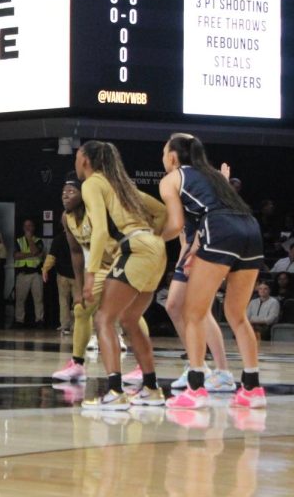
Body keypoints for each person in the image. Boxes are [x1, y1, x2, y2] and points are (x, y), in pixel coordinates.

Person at [158, 133, 267, 411]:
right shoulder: (214, 176)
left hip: (218, 230)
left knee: (193, 313)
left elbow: (175, 224)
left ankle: (196, 387)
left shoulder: (171, 179)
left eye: (163, 153)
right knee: (236, 315)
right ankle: (252, 388)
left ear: (172, 157)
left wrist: (147, 236)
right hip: (250, 228)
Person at [77, 140, 168, 411]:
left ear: (85, 160)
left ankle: (115, 391)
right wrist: (153, 240)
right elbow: (162, 211)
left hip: (135, 249)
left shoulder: (92, 183)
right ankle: (151, 388)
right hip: (155, 249)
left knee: (104, 318)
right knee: (130, 318)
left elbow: (101, 232)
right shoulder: (123, 186)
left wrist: (90, 275)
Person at [51, 172, 150, 383]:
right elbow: (76, 253)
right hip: (103, 267)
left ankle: (144, 367)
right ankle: (77, 365)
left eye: (71, 191)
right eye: (63, 192)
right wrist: (79, 288)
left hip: (125, 260)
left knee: (129, 313)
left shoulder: (97, 210)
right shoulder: (66, 218)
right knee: (81, 309)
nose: (65, 195)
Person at [41, 226, 79, 334]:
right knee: (78, 301)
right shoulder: (79, 237)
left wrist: (45, 269)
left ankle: (65, 326)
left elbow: (52, 256)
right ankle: (78, 325)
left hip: (62, 275)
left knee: (63, 301)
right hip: (77, 275)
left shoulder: (58, 238)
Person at [12, 219, 45, 327]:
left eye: (30, 225)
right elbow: (16, 256)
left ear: (33, 228)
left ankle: (39, 320)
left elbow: (36, 251)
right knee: (20, 299)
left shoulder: (38, 240)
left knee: (38, 298)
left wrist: (30, 239)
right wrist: (31, 254)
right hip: (22, 273)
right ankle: (19, 320)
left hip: (35, 273)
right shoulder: (18, 241)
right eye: (25, 225)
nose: (27, 228)